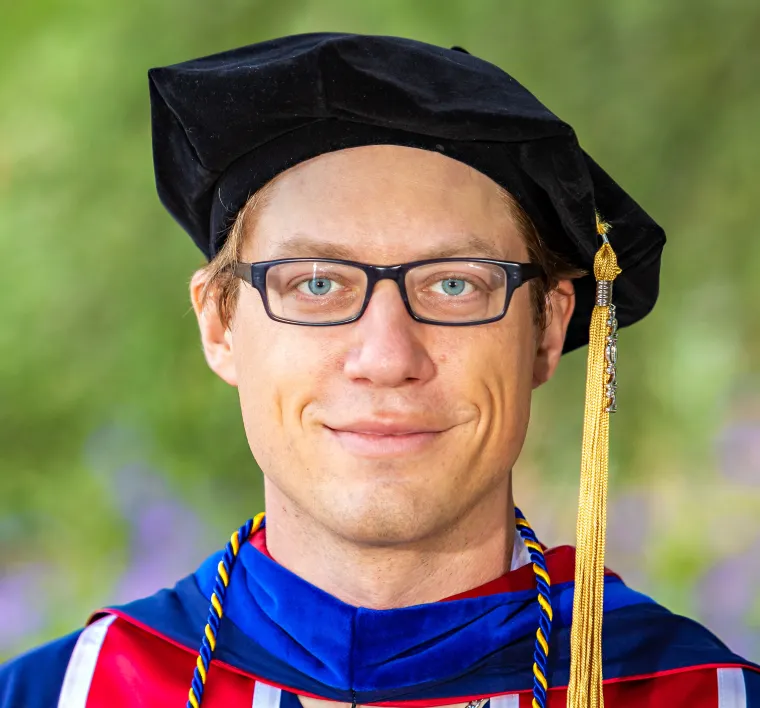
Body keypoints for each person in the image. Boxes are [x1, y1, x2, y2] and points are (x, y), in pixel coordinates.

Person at [1, 33, 757, 708]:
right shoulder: (66, 693)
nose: (387, 357)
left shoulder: (696, 694)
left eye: (456, 284)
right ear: (220, 323)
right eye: (317, 284)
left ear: (548, 327)